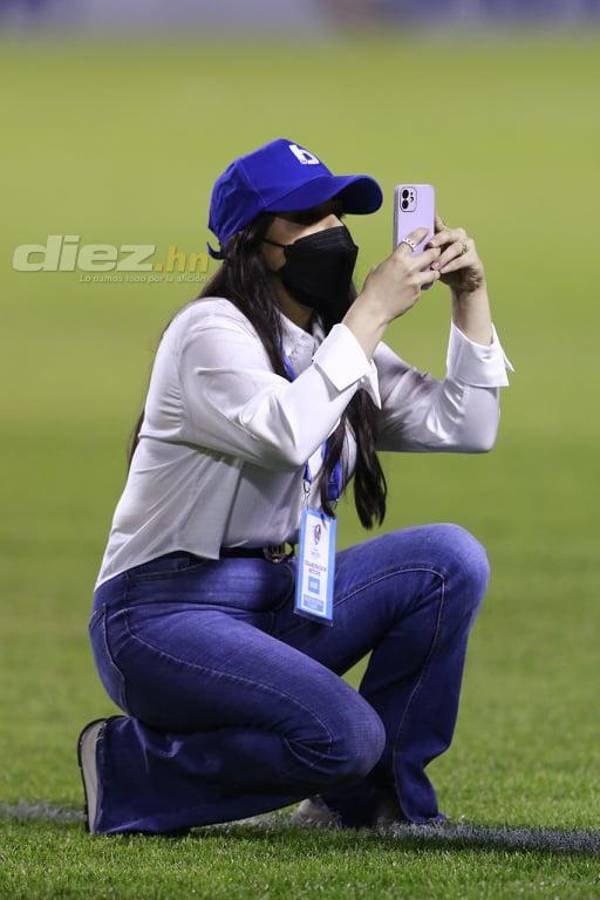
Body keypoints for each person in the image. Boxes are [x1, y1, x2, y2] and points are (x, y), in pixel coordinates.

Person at [77, 137, 516, 836]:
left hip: (280, 600)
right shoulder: (208, 333)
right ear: (254, 242)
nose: (334, 233)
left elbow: (468, 424)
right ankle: (133, 769)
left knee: (449, 560)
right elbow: (286, 430)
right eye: (308, 217)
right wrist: (369, 312)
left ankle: (380, 801)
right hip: (162, 614)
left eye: (339, 213)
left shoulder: (327, 338)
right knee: (344, 736)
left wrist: (471, 298)